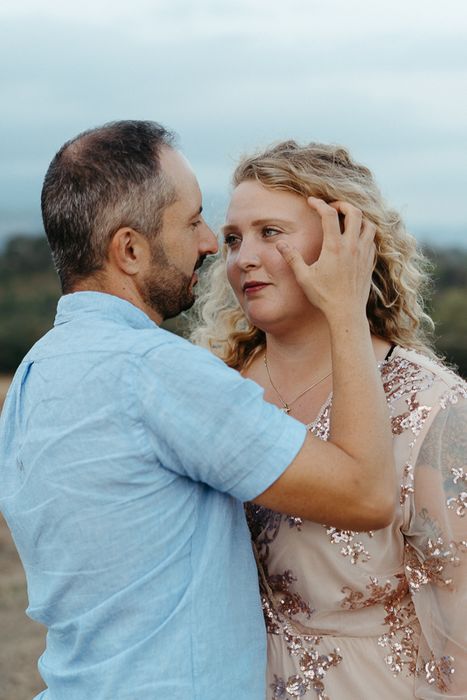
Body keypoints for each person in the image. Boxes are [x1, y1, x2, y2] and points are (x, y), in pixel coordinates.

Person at [0, 121, 395, 700]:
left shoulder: (35, 375)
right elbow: (366, 492)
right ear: (130, 250)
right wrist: (345, 309)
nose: (211, 243)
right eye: (192, 222)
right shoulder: (157, 373)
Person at [192, 139, 467, 699]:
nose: (244, 257)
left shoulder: (430, 405)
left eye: (271, 232)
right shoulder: (209, 388)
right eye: (232, 238)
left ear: (348, 240)